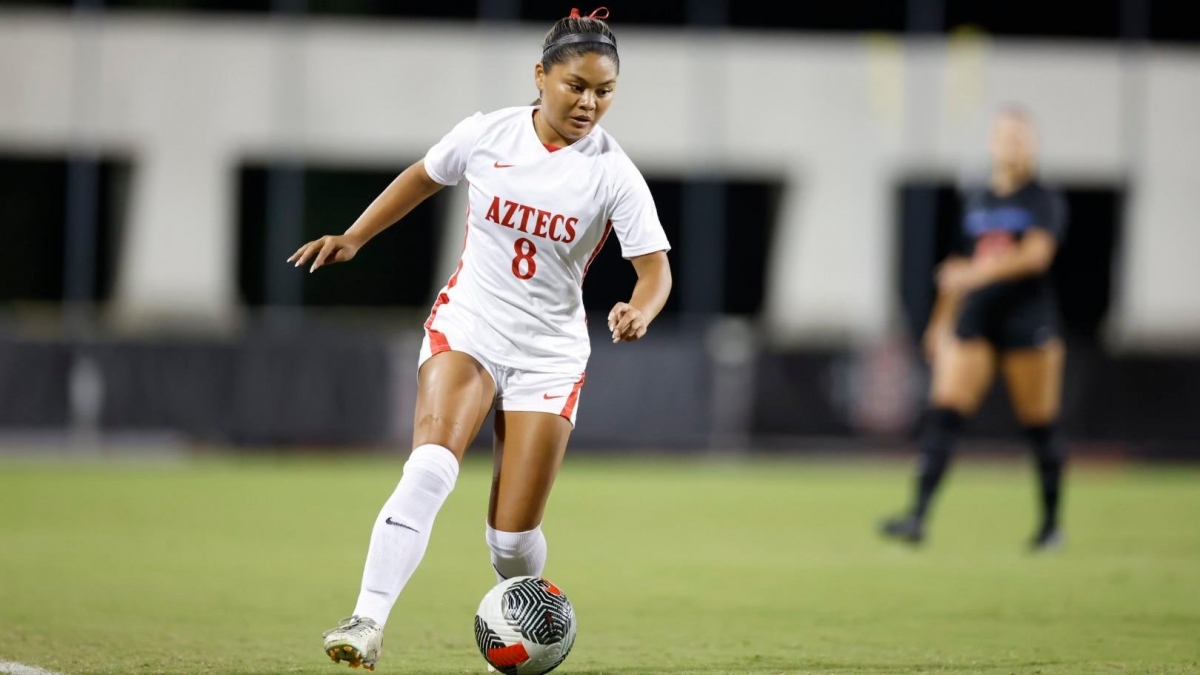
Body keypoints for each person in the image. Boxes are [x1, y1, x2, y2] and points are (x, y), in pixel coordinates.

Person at [288, 7, 672, 670]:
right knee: (430, 466)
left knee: (511, 540)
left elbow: (655, 270)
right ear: (540, 76)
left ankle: (527, 623)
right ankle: (366, 619)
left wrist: (641, 310)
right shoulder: (487, 133)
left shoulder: (614, 172)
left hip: (549, 354)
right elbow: (423, 175)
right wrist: (355, 235)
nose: (589, 102)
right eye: (576, 85)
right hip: (470, 325)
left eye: (604, 91)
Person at [881, 106, 1068, 552]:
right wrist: (939, 323)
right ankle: (917, 515)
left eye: (1019, 137)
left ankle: (1049, 526)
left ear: (1032, 144)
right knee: (945, 411)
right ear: (992, 143)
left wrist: (976, 275)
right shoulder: (978, 199)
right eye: (1004, 136)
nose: (1011, 144)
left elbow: (1036, 256)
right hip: (978, 318)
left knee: (1038, 424)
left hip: (1027, 319)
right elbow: (957, 267)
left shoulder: (1042, 199)